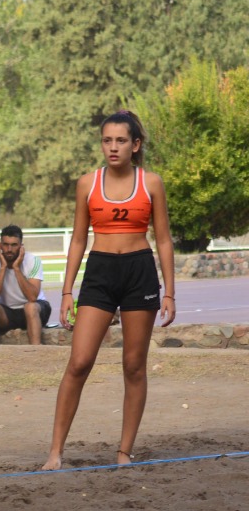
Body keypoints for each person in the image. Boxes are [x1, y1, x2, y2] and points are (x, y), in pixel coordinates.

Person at [42, 111, 175, 470]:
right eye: (107, 140)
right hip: (99, 272)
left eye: (120, 140)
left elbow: (163, 240)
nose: (113, 147)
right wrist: (66, 292)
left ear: (135, 145)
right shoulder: (87, 183)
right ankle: (54, 453)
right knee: (79, 362)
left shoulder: (151, 183)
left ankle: (124, 452)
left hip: (139, 272)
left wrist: (169, 292)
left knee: (133, 366)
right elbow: (78, 240)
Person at [0, 224, 51, 345]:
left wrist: (16, 268)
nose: (9, 249)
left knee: (30, 307)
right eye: (5, 244)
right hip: (8, 313)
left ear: (21, 246)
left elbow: (32, 297)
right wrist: (3, 267)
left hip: (36, 309)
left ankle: (36, 350)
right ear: (0, 246)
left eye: (14, 245)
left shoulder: (33, 260)